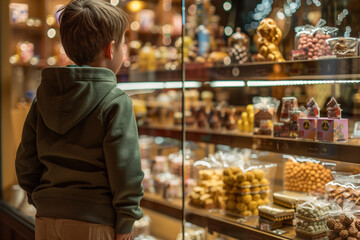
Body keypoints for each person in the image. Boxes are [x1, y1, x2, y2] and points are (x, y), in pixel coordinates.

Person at [15, 0, 144, 239]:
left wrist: (44, 199)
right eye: (124, 43)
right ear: (111, 49)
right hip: (96, 222)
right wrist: (126, 220)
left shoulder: (42, 98)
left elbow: (25, 161)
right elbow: (126, 172)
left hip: (46, 220)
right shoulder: (116, 101)